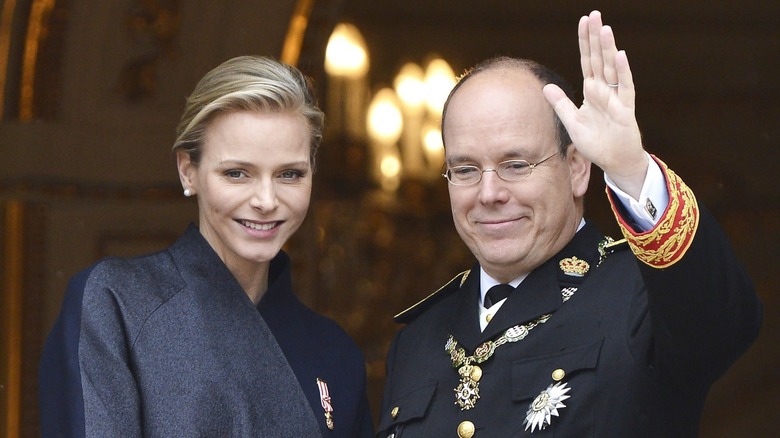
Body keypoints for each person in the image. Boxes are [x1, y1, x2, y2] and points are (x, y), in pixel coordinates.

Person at [378, 10, 762, 438]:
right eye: (465, 169)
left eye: (516, 164)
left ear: (578, 169)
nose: (488, 193)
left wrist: (630, 169)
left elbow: (724, 324)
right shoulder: (418, 339)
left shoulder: (644, 297)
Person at [39, 56, 374, 437]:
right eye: (236, 173)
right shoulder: (116, 304)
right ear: (188, 170)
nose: (266, 200)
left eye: (289, 174)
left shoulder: (334, 352)